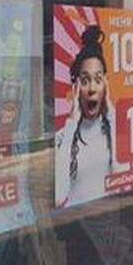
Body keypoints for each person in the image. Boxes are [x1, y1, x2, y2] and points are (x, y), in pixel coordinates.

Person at [54, 25, 121, 209]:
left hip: (109, 215)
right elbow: (59, 197)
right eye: (84, 81)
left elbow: (121, 177)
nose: (92, 89)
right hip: (76, 220)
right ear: (76, 87)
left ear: (105, 86)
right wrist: (72, 122)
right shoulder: (63, 137)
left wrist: (111, 113)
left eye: (98, 80)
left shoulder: (112, 129)